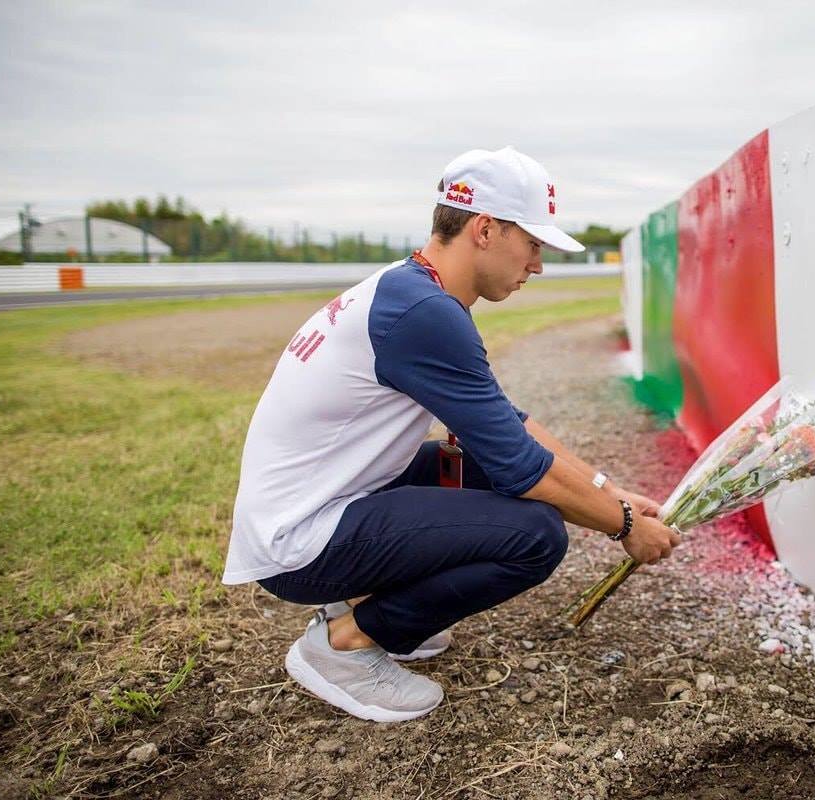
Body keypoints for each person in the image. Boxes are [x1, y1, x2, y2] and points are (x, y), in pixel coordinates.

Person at [221, 146, 681, 722]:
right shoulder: (423, 313)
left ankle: (383, 612)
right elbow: (522, 466)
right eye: (534, 244)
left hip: (319, 507)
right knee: (535, 534)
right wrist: (625, 527)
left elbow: (506, 426)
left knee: (470, 464)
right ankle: (343, 644)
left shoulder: (411, 289)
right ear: (486, 229)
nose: (537, 264)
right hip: (299, 545)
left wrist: (607, 489)